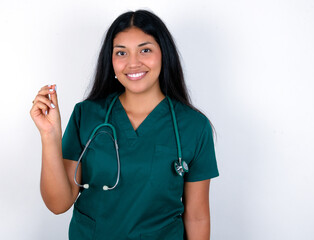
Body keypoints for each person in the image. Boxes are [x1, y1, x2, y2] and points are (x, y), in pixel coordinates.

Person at [30, 9, 219, 240]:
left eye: (145, 50)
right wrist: (49, 136)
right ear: (111, 61)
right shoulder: (87, 115)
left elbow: (197, 216)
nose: (133, 63)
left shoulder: (194, 127)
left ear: (164, 54)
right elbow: (58, 204)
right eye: (121, 53)